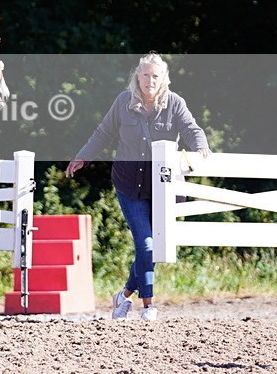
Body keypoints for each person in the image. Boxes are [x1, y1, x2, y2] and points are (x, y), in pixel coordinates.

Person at [65, 52, 210, 321]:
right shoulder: (124, 102)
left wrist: (200, 150)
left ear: (164, 78)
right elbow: (103, 132)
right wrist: (83, 156)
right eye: (145, 75)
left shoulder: (175, 103)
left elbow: (192, 129)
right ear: (137, 77)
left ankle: (124, 295)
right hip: (129, 185)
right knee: (145, 246)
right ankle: (149, 306)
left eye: (155, 76)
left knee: (155, 246)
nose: (150, 80)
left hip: (163, 189)